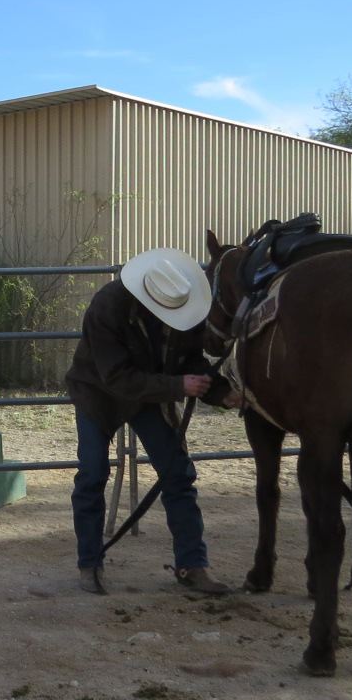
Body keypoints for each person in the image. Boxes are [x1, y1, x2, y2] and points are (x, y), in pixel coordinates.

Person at [65, 248, 241, 596]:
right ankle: (89, 564)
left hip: (150, 396)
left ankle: (193, 565)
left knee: (178, 475)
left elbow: (190, 361)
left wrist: (221, 392)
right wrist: (178, 386)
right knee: (92, 474)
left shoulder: (184, 307)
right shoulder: (107, 306)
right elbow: (116, 377)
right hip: (98, 393)